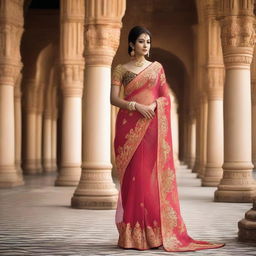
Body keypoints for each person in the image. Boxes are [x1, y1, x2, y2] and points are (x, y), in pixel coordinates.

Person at [110, 25, 225, 252]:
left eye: (148, 41)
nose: (146, 45)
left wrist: (152, 106)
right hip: (128, 127)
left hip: (152, 126)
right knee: (132, 179)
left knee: (149, 178)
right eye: (141, 41)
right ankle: (132, 235)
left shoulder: (157, 68)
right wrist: (135, 106)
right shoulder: (120, 69)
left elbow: (164, 97)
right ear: (132, 44)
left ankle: (153, 233)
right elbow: (113, 99)